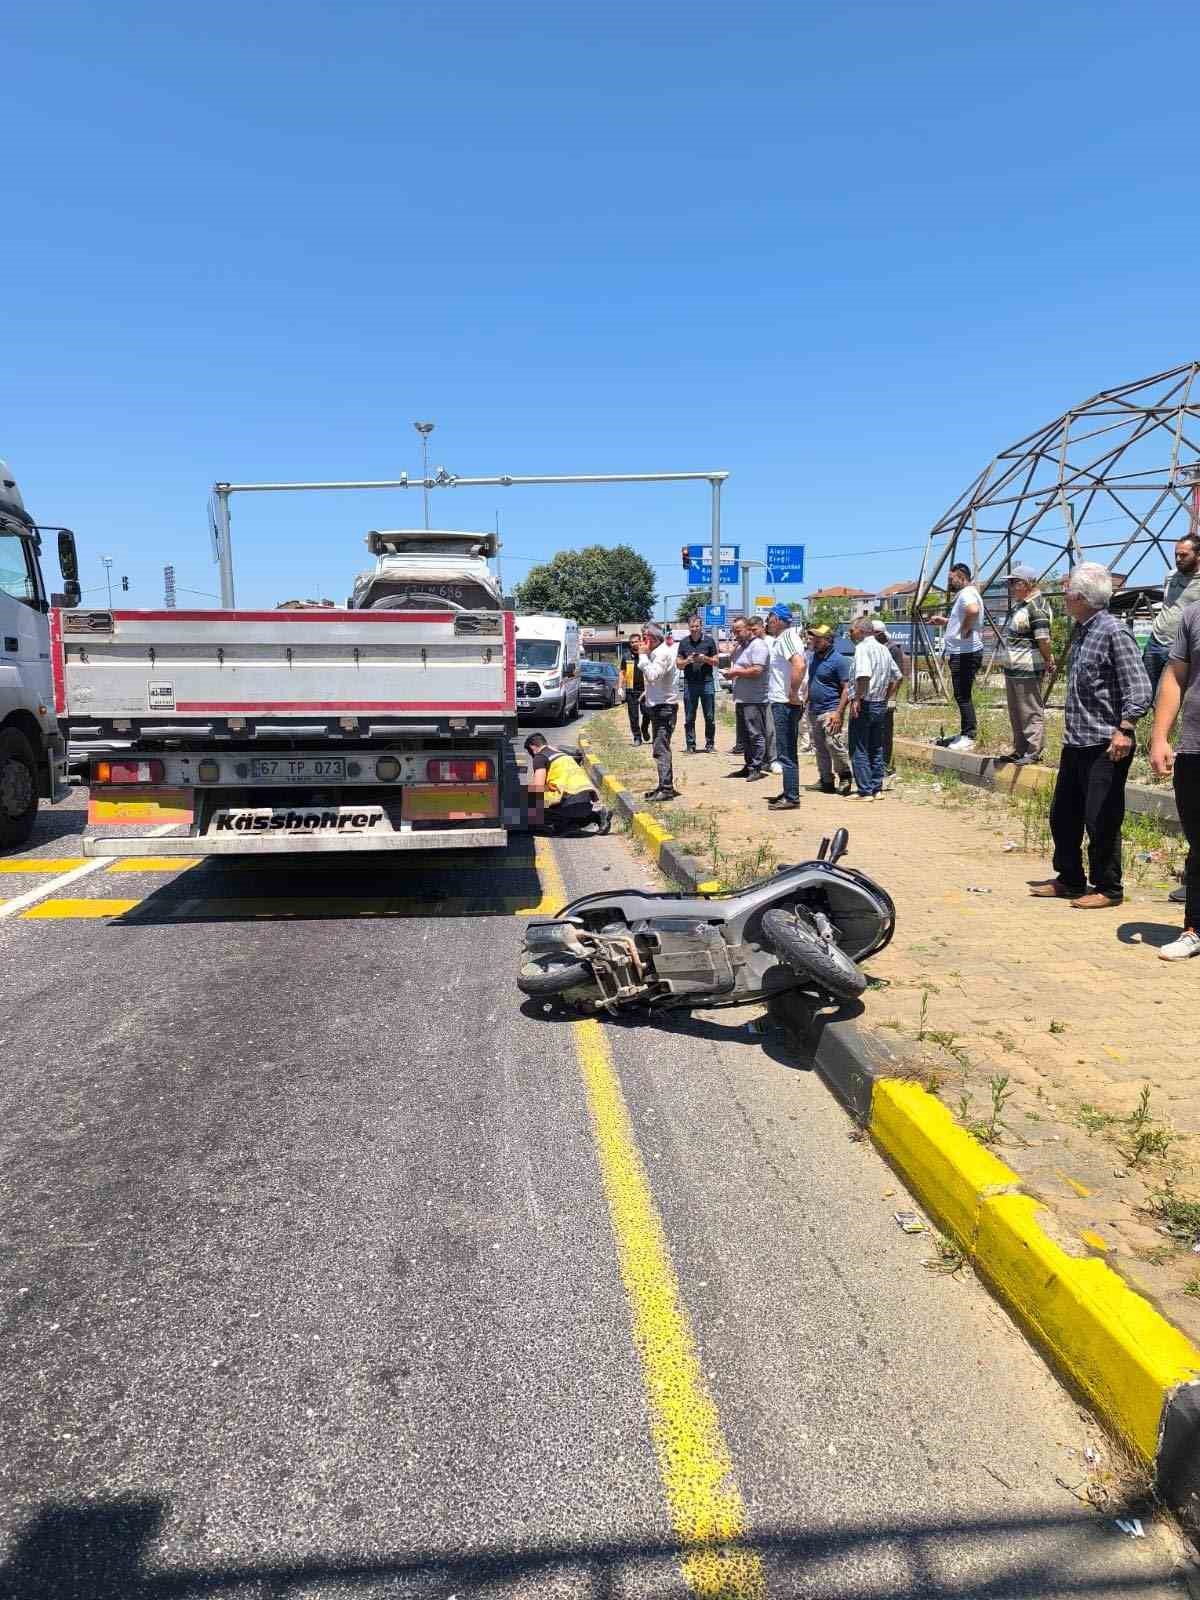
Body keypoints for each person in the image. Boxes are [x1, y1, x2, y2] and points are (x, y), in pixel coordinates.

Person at [1030, 562, 1152, 910]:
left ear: (1082, 597)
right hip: (1077, 741)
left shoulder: (1113, 631)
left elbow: (1140, 687)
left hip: (1106, 744)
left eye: (1068, 591)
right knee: (1063, 815)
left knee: (1101, 817)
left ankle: (1108, 888)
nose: (1064, 596)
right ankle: (1069, 879)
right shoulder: (1082, 630)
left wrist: (1126, 728)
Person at [1149, 603, 1200, 959]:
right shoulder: (1194, 614)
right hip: (1196, 748)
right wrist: (1160, 736)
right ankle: (1195, 928)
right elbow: (1175, 675)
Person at [996, 564, 1054, 765]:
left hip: (1028, 668)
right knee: (1016, 711)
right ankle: (1020, 749)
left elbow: (1044, 639)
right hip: (1014, 668)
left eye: (1014, 583)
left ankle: (1033, 750)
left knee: (1030, 710)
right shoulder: (1022, 605)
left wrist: (1048, 660)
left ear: (1026, 583)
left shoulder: (1037, 607)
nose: (1011, 587)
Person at [929, 561, 983, 750]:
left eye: (951, 578)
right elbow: (965, 615)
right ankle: (965, 732)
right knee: (962, 694)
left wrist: (965, 629)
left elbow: (973, 611)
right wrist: (946, 621)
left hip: (965, 653)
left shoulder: (967, 593)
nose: (949, 582)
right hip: (963, 652)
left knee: (962, 695)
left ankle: (969, 734)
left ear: (961, 576)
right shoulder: (968, 593)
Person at [847, 617, 900, 799]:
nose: (850, 634)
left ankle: (865, 790)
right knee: (876, 747)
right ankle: (877, 788)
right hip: (879, 704)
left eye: (851, 630)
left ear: (861, 631)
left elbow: (863, 675)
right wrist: (886, 697)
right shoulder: (883, 649)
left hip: (865, 703)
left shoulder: (862, 648)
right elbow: (897, 677)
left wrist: (857, 700)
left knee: (859, 747)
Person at [1144, 536, 1200, 701]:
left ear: (1198, 555)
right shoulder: (1171, 576)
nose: (1178, 559)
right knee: (1144, 691)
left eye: (1183, 555)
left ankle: (1167, 726)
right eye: (1176, 554)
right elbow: (1167, 605)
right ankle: (1130, 725)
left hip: (1181, 647)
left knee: (1169, 696)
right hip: (1156, 640)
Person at [764, 604, 807, 810]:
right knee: (787, 750)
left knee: (786, 752)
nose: (768, 622)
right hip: (783, 701)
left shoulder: (787, 638)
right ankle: (789, 790)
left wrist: (792, 692)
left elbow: (799, 665)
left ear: (779, 620)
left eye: (770, 618)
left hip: (785, 703)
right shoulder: (782, 639)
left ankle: (791, 797)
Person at [524, 733, 610, 833]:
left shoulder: (540, 757)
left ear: (532, 747)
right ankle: (596, 816)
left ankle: (564, 823)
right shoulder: (563, 755)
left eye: (529, 752)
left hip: (568, 805)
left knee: (530, 813)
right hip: (586, 805)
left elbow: (537, 789)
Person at [805, 624, 853, 794]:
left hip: (831, 710)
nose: (814, 642)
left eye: (818, 639)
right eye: (813, 639)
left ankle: (845, 776)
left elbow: (847, 688)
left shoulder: (839, 661)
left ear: (828, 640)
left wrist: (838, 713)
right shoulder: (814, 658)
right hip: (814, 710)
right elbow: (813, 682)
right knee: (819, 747)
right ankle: (825, 780)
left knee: (834, 744)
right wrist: (807, 699)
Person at [723, 615, 770, 781]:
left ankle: (757, 767)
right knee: (745, 735)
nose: (735, 634)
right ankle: (748, 765)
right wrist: (734, 650)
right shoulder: (742, 646)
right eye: (733, 631)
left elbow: (757, 670)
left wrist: (735, 673)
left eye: (738, 631)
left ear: (748, 629)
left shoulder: (758, 646)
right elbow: (734, 662)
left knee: (755, 734)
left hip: (755, 698)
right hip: (742, 698)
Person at [638, 622, 680, 801]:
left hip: (664, 709)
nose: (641, 641)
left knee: (660, 748)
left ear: (653, 638)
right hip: (658, 706)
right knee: (658, 747)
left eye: (644, 637)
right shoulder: (656, 653)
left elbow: (653, 675)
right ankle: (663, 785)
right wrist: (646, 693)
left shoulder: (662, 653)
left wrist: (642, 657)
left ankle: (667, 788)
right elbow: (656, 682)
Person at [676, 614, 719, 753]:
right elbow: (678, 664)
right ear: (689, 627)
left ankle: (710, 744)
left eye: (697, 626)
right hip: (690, 683)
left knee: (710, 716)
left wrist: (704, 658)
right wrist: (687, 661)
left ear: (701, 627)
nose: (694, 629)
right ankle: (690, 745)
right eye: (692, 626)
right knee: (689, 716)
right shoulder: (683, 643)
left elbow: (717, 661)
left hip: (707, 682)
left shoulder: (709, 641)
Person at [871, 617, 905, 774]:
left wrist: (890, 698)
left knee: (885, 732)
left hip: (886, 697)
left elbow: (897, 677)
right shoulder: (874, 648)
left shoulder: (893, 649)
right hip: (874, 697)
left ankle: (884, 765)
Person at [621, 640, 651, 744]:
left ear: (640, 642)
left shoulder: (645, 655)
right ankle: (637, 737)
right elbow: (622, 672)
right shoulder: (626, 656)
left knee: (647, 712)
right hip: (631, 689)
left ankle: (644, 728)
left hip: (644, 689)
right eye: (632, 642)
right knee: (633, 716)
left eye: (637, 641)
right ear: (630, 644)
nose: (635, 644)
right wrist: (620, 687)